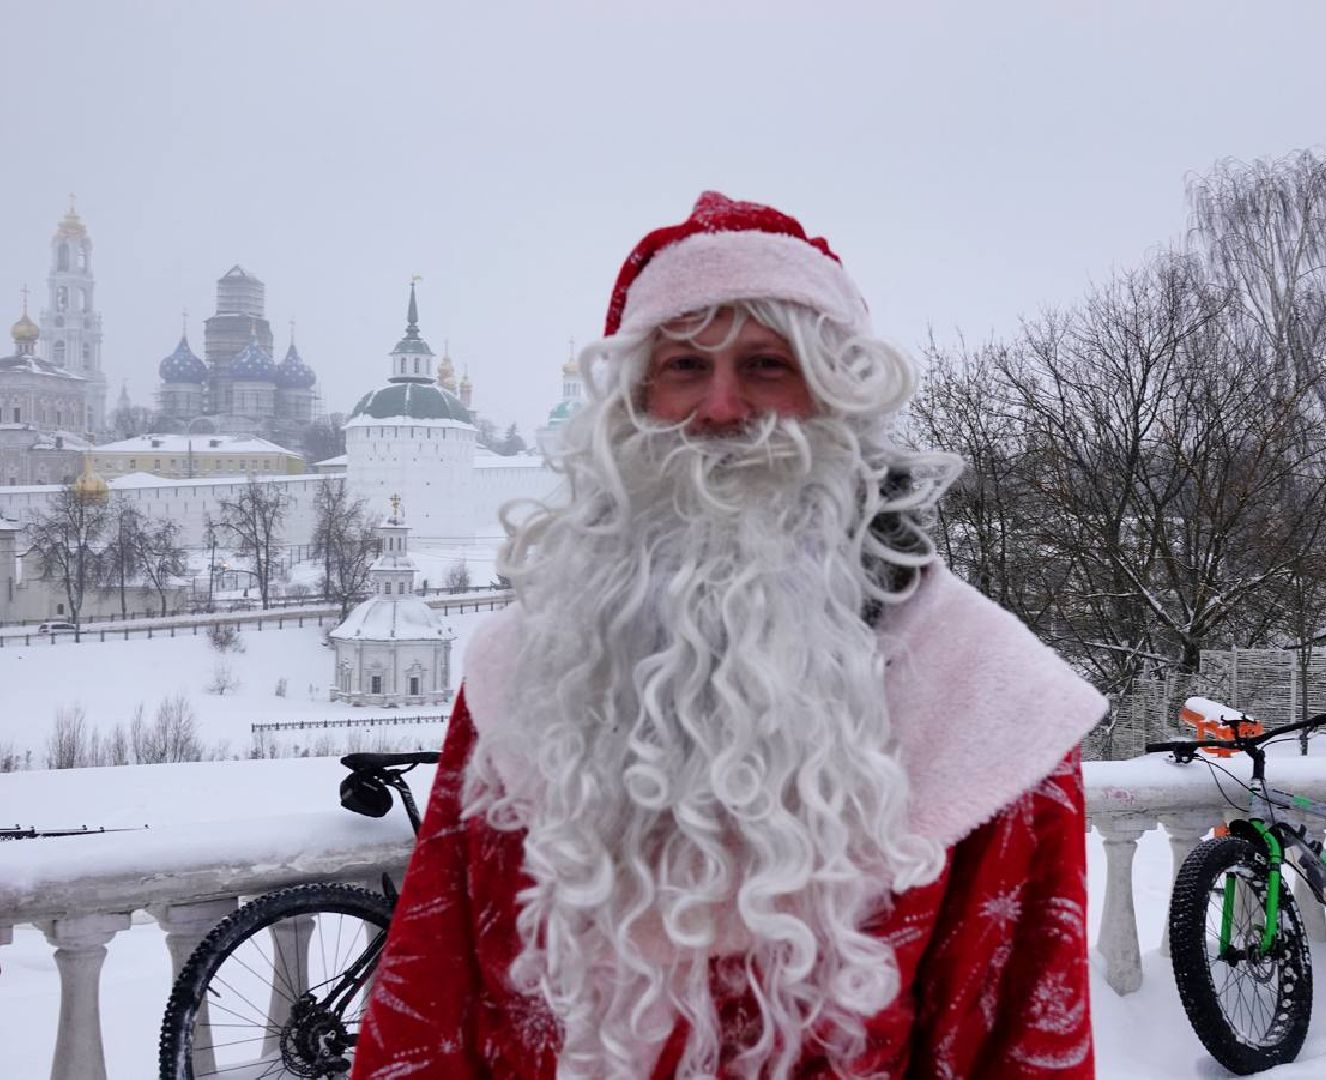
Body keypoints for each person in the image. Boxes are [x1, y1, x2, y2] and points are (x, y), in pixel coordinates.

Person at [352, 192, 1106, 1078]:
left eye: (765, 365)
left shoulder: (982, 691)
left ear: (835, 399)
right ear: (636, 404)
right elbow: (434, 994)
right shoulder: (530, 673)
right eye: (682, 365)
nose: (719, 407)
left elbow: (1023, 1032)